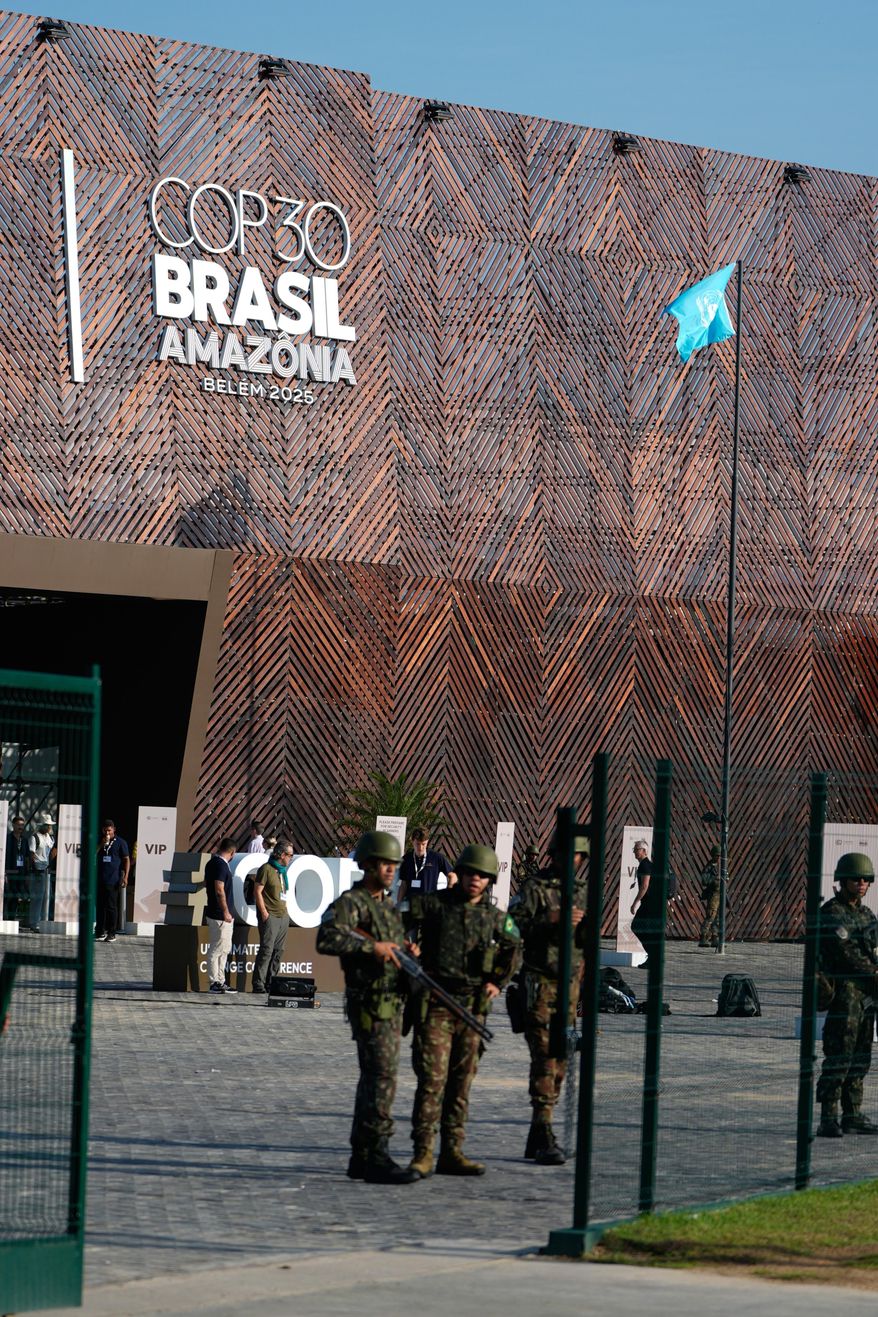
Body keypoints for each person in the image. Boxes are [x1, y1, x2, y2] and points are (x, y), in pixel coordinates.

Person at [407, 844, 521, 1179]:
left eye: (483, 875)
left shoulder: (495, 918)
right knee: (432, 1082)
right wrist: (408, 947)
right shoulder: (435, 905)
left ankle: (452, 1151)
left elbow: (514, 947)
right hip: (436, 1006)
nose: (475, 880)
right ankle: (423, 1152)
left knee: (461, 1083)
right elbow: (397, 920)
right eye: (470, 873)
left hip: (472, 1009)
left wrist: (497, 982)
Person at [315, 830, 417, 1184]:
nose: (390, 870)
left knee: (375, 1077)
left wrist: (405, 951)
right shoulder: (352, 902)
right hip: (370, 1004)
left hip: (391, 1002)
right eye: (384, 864)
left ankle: (361, 1156)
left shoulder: (387, 906)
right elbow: (326, 937)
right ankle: (376, 1154)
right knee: (383, 1078)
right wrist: (371, 949)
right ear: (368, 865)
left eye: (393, 864)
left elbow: (392, 946)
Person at [508, 827, 589, 1165]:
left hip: (570, 988)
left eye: (578, 856)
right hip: (540, 984)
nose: (572, 861)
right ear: (554, 855)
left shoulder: (581, 891)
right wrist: (549, 919)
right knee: (545, 1057)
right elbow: (511, 925)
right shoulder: (535, 888)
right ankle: (544, 1133)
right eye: (567, 854)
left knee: (562, 1061)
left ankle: (537, 1133)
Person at [815, 852, 878, 1138]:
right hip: (844, 994)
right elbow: (846, 954)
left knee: (861, 1055)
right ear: (843, 880)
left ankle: (852, 1113)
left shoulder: (866, 914)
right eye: (857, 878)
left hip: (867, 995)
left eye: (866, 879)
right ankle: (829, 1117)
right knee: (839, 1054)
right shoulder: (832, 913)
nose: (862, 883)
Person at [251, 838, 293, 993]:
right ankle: (258, 984)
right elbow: (257, 891)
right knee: (267, 949)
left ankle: (271, 982)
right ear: (282, 854)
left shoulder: (282, 872)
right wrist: (264, 912)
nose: (291, 858)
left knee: (278, 951)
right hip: (270, 916)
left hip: (283, 915)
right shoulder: (266, 869)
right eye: (290, 855)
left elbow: (284, 893)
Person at [204, 837, 237, 994]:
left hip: (220, 914)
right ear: (232, 852)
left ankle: (221, 980)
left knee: (224, 949)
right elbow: (219, 889)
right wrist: (225, 911)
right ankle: (214, 982)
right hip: (219, 915)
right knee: (216, 949)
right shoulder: (220, 865)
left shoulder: (212, 863)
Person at [396, 829, 456, 909]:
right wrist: (398, 905)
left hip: (429, 906)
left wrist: (449, 893)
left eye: (423, 844)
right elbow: (403, 884)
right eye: (417, 844)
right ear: (412, 841)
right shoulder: (406, 859)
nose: (420, 847)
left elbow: (453, 875)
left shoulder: (436, 858)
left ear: (427, 842)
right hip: (410, 905)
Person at [94, 819, 130, 942]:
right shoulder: (99, 840)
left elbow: (126, 860)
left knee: (111, 907)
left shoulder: (121, 842)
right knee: (100, 906)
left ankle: (112, 932)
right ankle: (99, 931)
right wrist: (101, 844)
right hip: (99, 879)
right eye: (105, 830)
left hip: (113, 879)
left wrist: (125, 877)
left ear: (114, 829)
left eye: (109, 830)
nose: (107, 832)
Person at [630, 838, 664, 966]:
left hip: (649, 903)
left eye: (636, 850)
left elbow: (645, 886)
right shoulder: (647, 864)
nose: (634, 852)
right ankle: (653, 957)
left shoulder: (645, 865)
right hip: (652, 903)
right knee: (645, 929)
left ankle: (653, 956)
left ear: (644, 851)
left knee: (637, 926)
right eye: (634, 850)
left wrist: (635, 903)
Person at [28, 816, 56, 932]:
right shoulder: (34, 837)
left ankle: (44, 921)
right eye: (47, 825)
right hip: (38, 870)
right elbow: (32, 854)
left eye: (50, 825)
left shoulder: (50, 837)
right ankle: (34, 923)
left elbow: (52, 851)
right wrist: (36, 865)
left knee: (47, 896)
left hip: (47, 870)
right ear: (42, 825)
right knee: (38, 897)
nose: (49, 827)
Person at [4, 815, 29, 922]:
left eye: (22, 825)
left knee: (16, 895)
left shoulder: (24, 840)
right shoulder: (7, 839)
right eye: (18, 825)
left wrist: (27, 873)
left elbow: (27, 857)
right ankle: (4, 917)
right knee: (8, 894)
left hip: (21, 872)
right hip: (9, 871)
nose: (20, 827)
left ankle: (11, 918)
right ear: (13, 825)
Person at [698, 845, 721, 947]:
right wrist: (714, 879)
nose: (719, 858)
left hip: (720, 894)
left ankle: (715, 937)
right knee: (711, 916)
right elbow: (704, 880)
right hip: (713, 894)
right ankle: (703, 936)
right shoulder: (709, 867)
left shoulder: (721, 867)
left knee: (717, 917)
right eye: (717, 855)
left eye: (720, 856)